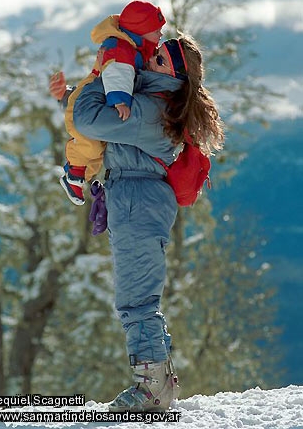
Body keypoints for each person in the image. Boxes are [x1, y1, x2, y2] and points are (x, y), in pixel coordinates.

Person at [70, 34, 225, 411]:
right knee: (139, 297)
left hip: (138, 202)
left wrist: (98, 76)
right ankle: (158, 380)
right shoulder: (152, 103)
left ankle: (152, 388)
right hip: (137, 198)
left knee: (136, 299)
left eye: (155, 56)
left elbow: (87, 119)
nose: (146, 56)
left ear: (170, 69)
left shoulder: (151, 110)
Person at [51, 0, 166, 206]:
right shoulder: (121, 47)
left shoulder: (134, 49)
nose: (160, 34)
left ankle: (77, 178)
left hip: (97, 100)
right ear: (141, 30)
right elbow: (117, 74)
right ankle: (74, 173)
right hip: (92, 100)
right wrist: (120, 100)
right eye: (156, 30)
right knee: (90, 144)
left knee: (97, 147)